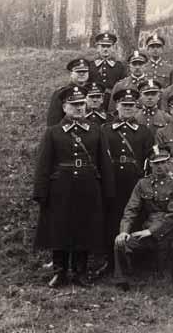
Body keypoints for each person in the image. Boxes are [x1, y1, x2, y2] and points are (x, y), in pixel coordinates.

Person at [33, 86, 115, 287]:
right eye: (74, 104)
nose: (79, 108)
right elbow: (43, 164)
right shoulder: (53, 132)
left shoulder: (96, 131)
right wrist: (41, 192)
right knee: (60, 227)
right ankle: (59, 271)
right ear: (64, 107)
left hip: (88, 186)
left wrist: (108, 190)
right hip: (61, 187)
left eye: (81, 104)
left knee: (84, 226)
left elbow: (104, 162)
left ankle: (80, 271)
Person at [97, 89, 154, 277]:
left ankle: (133, 261)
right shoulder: (105, 130)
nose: (128, 109)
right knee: (111, 220)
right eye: (124, 105)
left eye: (131, 105)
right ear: (117, 107)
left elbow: (150, 158)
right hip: (111, 180)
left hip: (134, 182)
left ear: (136, 107)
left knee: (135, 218)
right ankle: (110, 261)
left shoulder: (144, 132)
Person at [113, 146, 173, 290]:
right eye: (156, 163)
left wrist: (151, 231)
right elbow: (131, 209)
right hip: (147, 231)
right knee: (121, 243)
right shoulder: (142, 184)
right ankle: (123, 280)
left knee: (164, 278)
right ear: (150, 164)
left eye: (163, 162)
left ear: (168, 163)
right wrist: (124, 231)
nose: (160, 166)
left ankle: (164, 273)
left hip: (167, 231)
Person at [46, 58, 92, 126]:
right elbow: (54, 121)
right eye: (78, 72)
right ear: (71, 74)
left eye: (84, 71)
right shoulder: (62, 93)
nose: (82, 74)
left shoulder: (93, 92)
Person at [88, 32, 126, 109]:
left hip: (113, 102)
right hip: (94, 101)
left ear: (113, 49)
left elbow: (123, 86)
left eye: (108, 46)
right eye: (102, 46)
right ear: (97, 48)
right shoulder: (90, 66)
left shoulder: (119, 66)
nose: (105, 49)